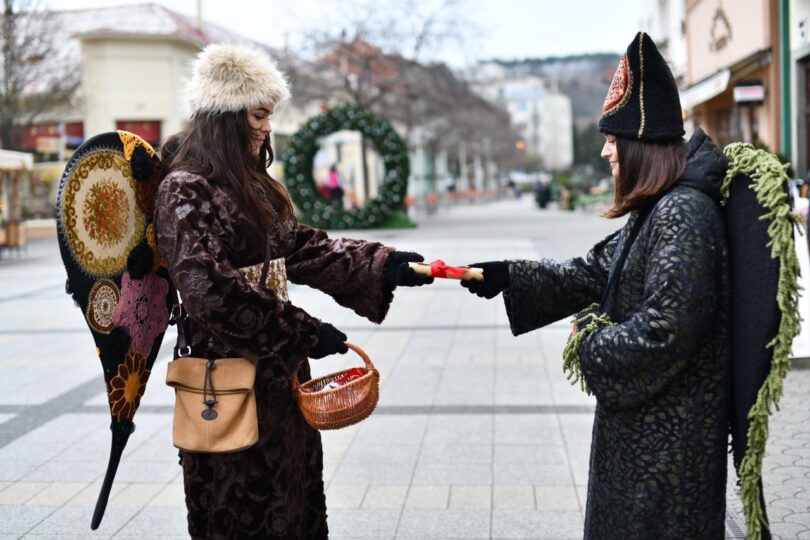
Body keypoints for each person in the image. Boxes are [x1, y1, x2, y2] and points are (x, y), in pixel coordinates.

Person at [154, 43, 432, 540]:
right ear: (226, 116)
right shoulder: (184, 188)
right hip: (229, 388)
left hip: (278, 385)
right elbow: (208, 291)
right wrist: (303, 333)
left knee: (294, 508)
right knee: (242, 513)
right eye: (259, 114)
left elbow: (300, 246)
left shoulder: (246, 184)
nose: (265, 126)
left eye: (269, 115)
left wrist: (382, 264)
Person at [460, 33, 731, 538]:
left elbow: (664, 332)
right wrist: (508, 275)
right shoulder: (660, 206)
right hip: (644, 439)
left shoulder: (684, 214)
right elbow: (595, 269)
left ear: (640, 145)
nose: (606, 151)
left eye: (613, 140)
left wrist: (588, 342)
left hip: (669, 455)